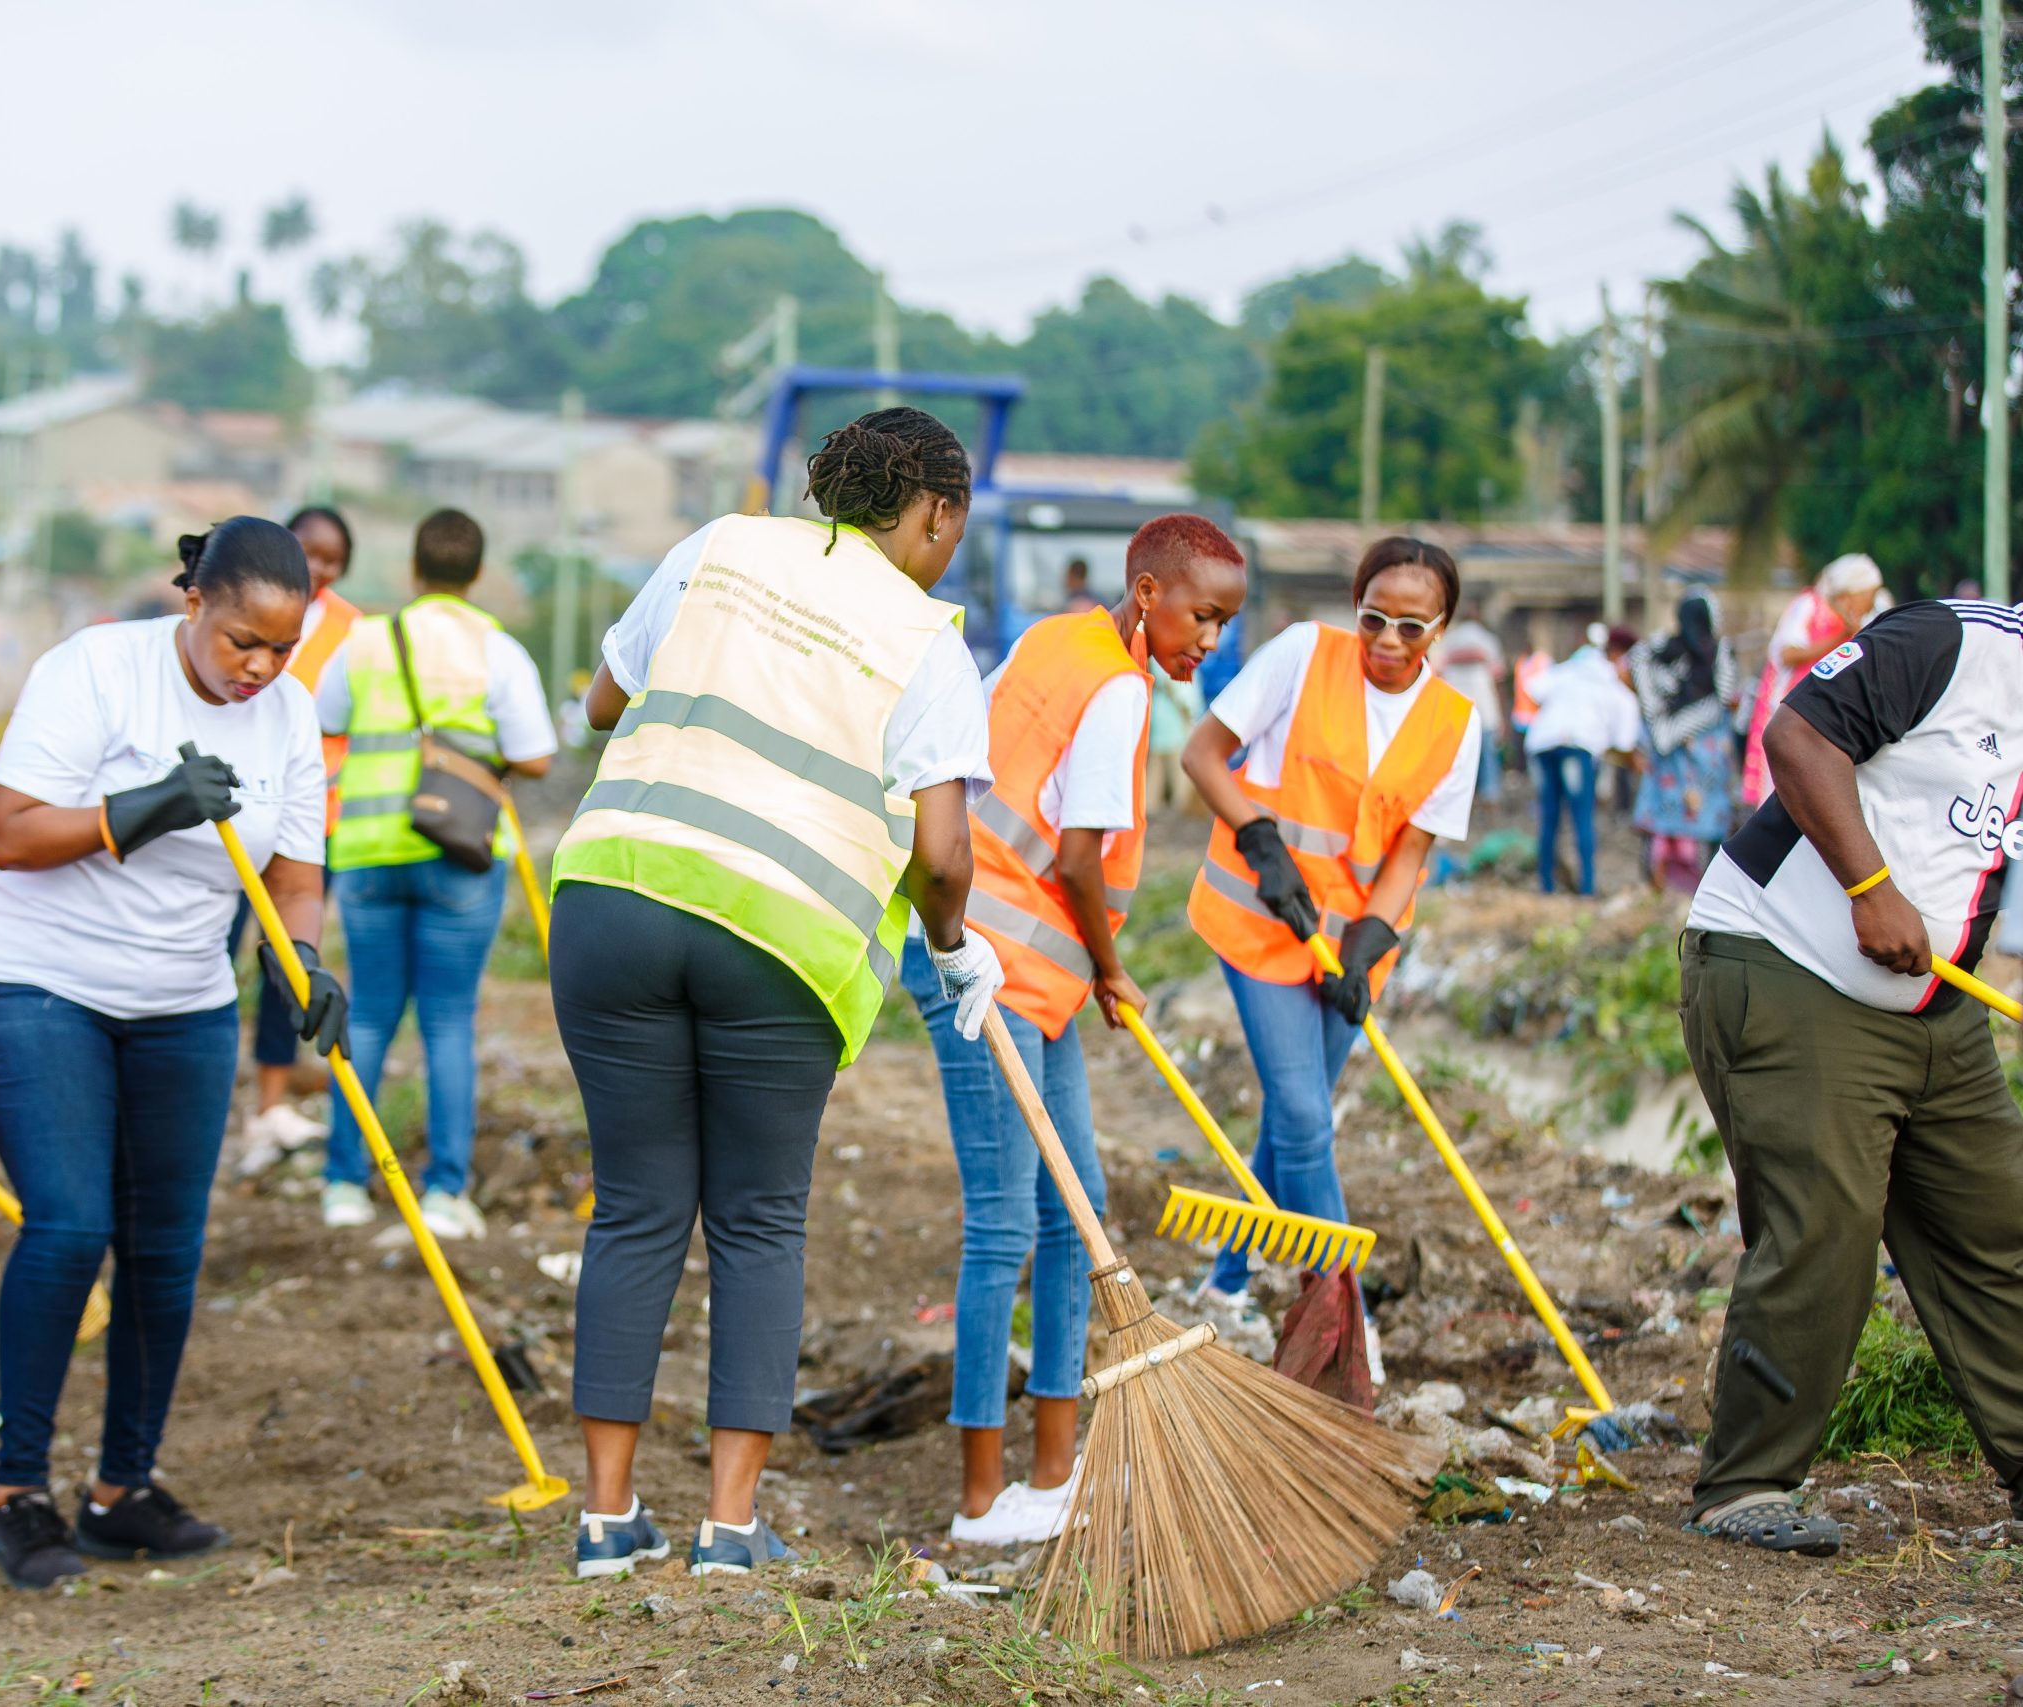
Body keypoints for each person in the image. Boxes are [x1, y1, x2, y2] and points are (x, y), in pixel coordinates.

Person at [554, 406, 996, 1579]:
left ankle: (604, 1521)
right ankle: (728, 1526)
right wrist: (953, 949)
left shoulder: (718, 547)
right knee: (757, 1221)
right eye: (956, 521)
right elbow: (943, 855)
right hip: (778, 939)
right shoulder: (929, 639)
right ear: (935, 511)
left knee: (635, 1209)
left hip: (615, 895)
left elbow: (603, 704)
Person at [0, 517, 346, 1591]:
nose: (261, 668)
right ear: (194, 605)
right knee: (73, 1224)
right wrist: (145, 809)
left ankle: (122, 1491)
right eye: (240, 643)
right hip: (37, 984)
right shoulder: (94, 670)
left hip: (182, 1000)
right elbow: (14, 833)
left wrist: (300, 962)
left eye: (283, 647)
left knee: (165, 1252)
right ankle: (15, 1493)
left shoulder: (291, 714)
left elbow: (297, 874)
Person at [905, 514, 1247, 1547]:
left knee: (1078, 1207)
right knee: (1007, 1222)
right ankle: (978, 1500)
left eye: (1227, 622)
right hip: (985, 969)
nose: (1210, 640)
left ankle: (1051, 1475)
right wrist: (1110, 964)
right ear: (1148, 593)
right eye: (1201, 614)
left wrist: (1083, 972)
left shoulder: (1055, 638)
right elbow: (1080, 859)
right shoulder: (1117, 685)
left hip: (1026, 972)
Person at [1679, 595, 2023, 1556]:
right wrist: (1871, 889)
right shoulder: (1952, 643)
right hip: (1788, 964)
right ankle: (1744, 1483)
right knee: (1827, 1226)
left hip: (1936, 1005)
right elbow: (1798, 738)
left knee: (1998, 1225)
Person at [1182, 536, 1480, 1377]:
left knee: (1293, 1112)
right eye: (1374, 619)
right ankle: (1343, 1320)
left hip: (1348, 948)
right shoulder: (1303, 655)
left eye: (1410, 628)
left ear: (1442, 628)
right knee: (1309, 1119)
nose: (1388, 641)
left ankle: (1228, 1275)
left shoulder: (1457, 722)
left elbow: (1409, 854)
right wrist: (1257, 835)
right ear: (1356, 609)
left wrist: (1370, 943)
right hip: (1259, 920)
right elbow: (1202, 754)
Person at [312, 508, 555, 1239]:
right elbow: (537, 754)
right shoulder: (497, 650)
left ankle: (344, 1184)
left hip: (369, 854)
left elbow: (326, 718)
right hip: (459, 855)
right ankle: (445, 1192)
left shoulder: (364, 641)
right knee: (448, 1020)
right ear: (476, 573)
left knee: (370, 1016)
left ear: (413, 570)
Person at [235, 504, 360, 1175]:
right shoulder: (243, 602)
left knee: (288, 958)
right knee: (218, 950)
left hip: (313, 818)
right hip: (230, 807)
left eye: (332, 559)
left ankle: (273, 1102)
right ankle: (242, 1098)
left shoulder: (353, 630)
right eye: (309, 552)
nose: (320, 567)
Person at [1741, 553, 1884, 807]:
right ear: (1852, 593)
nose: (1870, 604)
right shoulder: (1810, 606)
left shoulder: (1855, 623)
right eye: (1868, 596)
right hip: (1791, 710)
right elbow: (1788, 653)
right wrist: (1840, 637)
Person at [1628, 594, 1741, 893]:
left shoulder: (1662, 654)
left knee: (1664, 826)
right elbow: (1726, 696)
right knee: (1705, 830)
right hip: (1706, 759)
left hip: (1669, 757)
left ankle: (1659, 888)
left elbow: (1637, 662)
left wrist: (1665, 725)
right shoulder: (1718, 652)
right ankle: (1701, 892)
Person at [1522, 624, 1642, 895]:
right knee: (1582, 816)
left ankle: (1546, 886)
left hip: (1542, 743)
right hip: (1577, 746)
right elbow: (1624, 742)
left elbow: (1534, 690)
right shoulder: (1612, 681)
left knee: (1549, 816)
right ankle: (1587, 887)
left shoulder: (1568, 668)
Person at [1435, 615, 1506, 804]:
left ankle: (1458, 798)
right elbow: (1497, 678)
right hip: (1484, 709)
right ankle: (1490, 797)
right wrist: (1501, 717)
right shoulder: (1488, 640)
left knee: (1456, 760)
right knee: (1488, 757)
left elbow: (1436, 675)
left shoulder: (1448, 641)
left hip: (1454, 711)